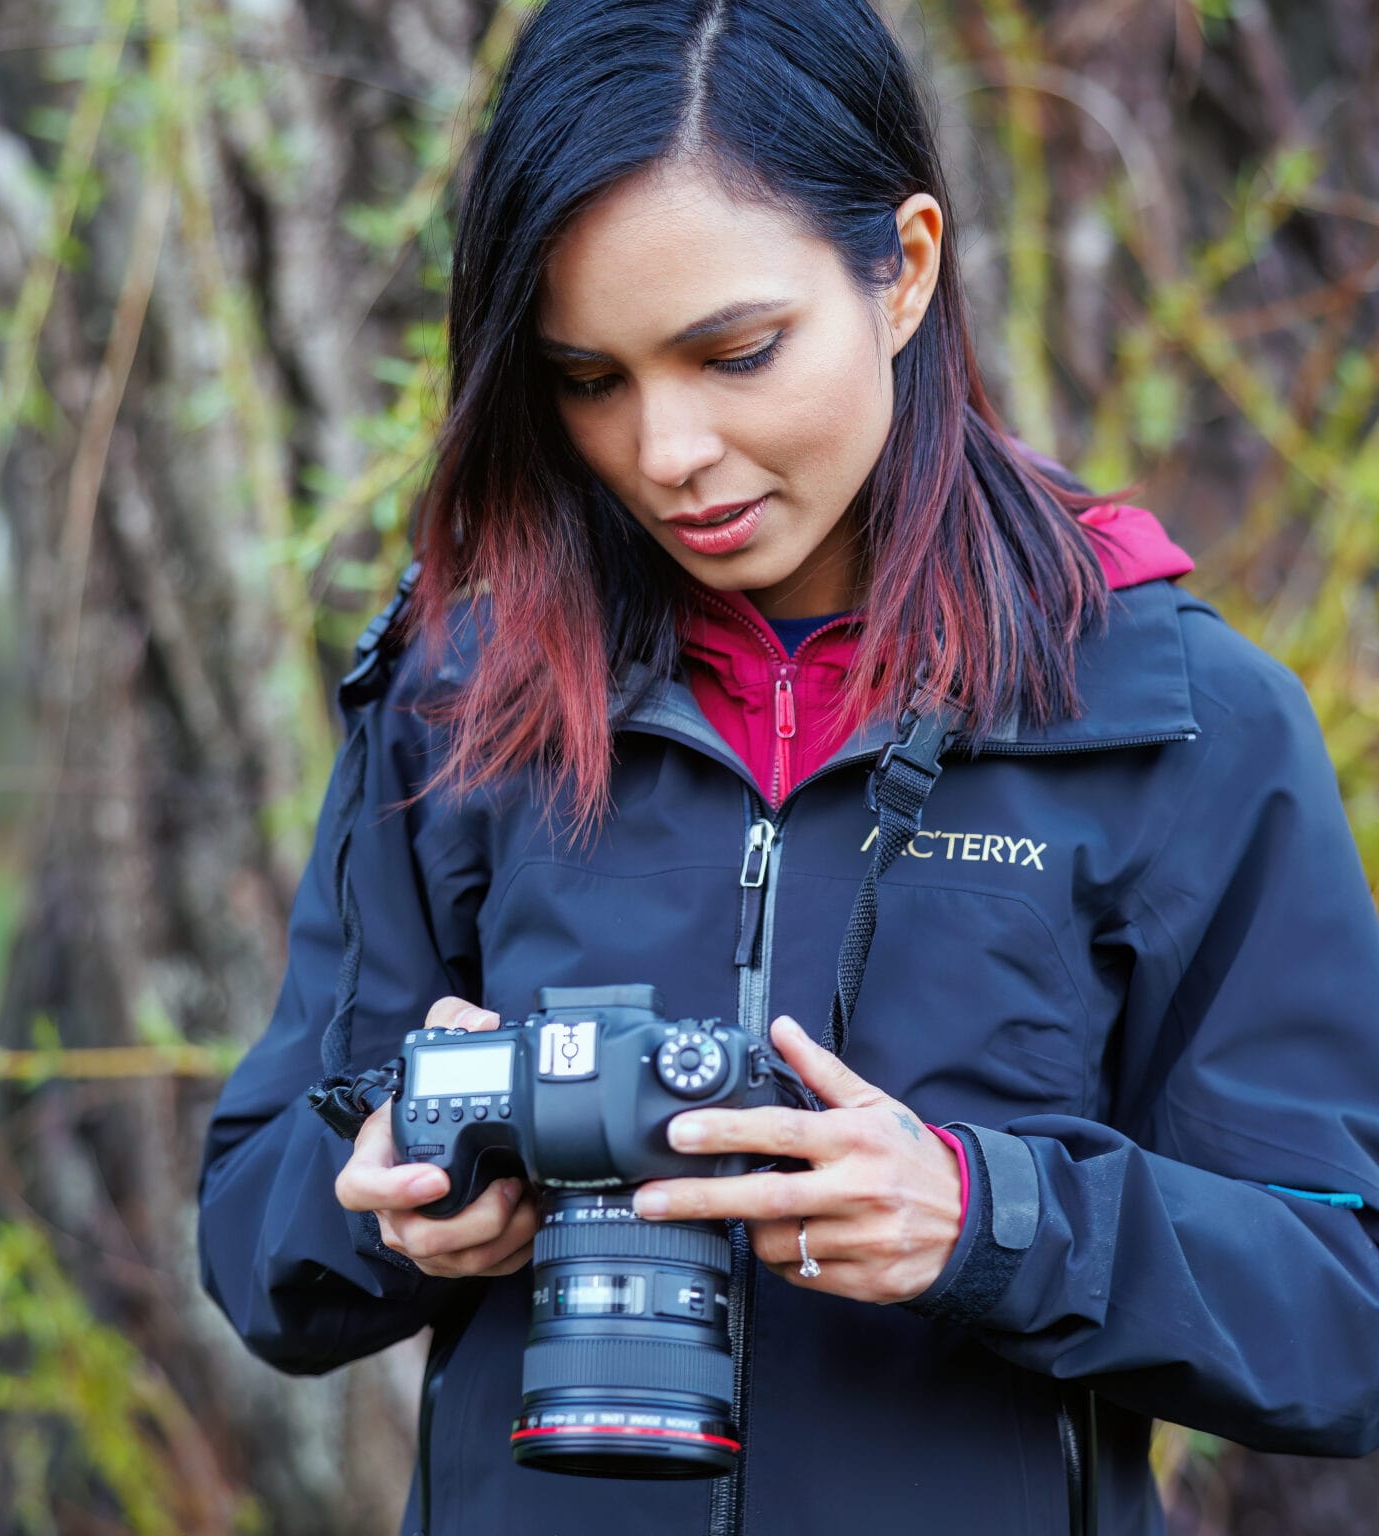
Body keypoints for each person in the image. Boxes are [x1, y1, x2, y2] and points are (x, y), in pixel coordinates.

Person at [196, 1, 1379, 1532]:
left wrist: (989, 1218)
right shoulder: (461, 693)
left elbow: (1344, 1309)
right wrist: (393, 1205)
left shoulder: (1180, 717)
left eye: (736, 352)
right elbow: (259, 1244)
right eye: (589, 378)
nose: (667, 451)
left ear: (907, 268)